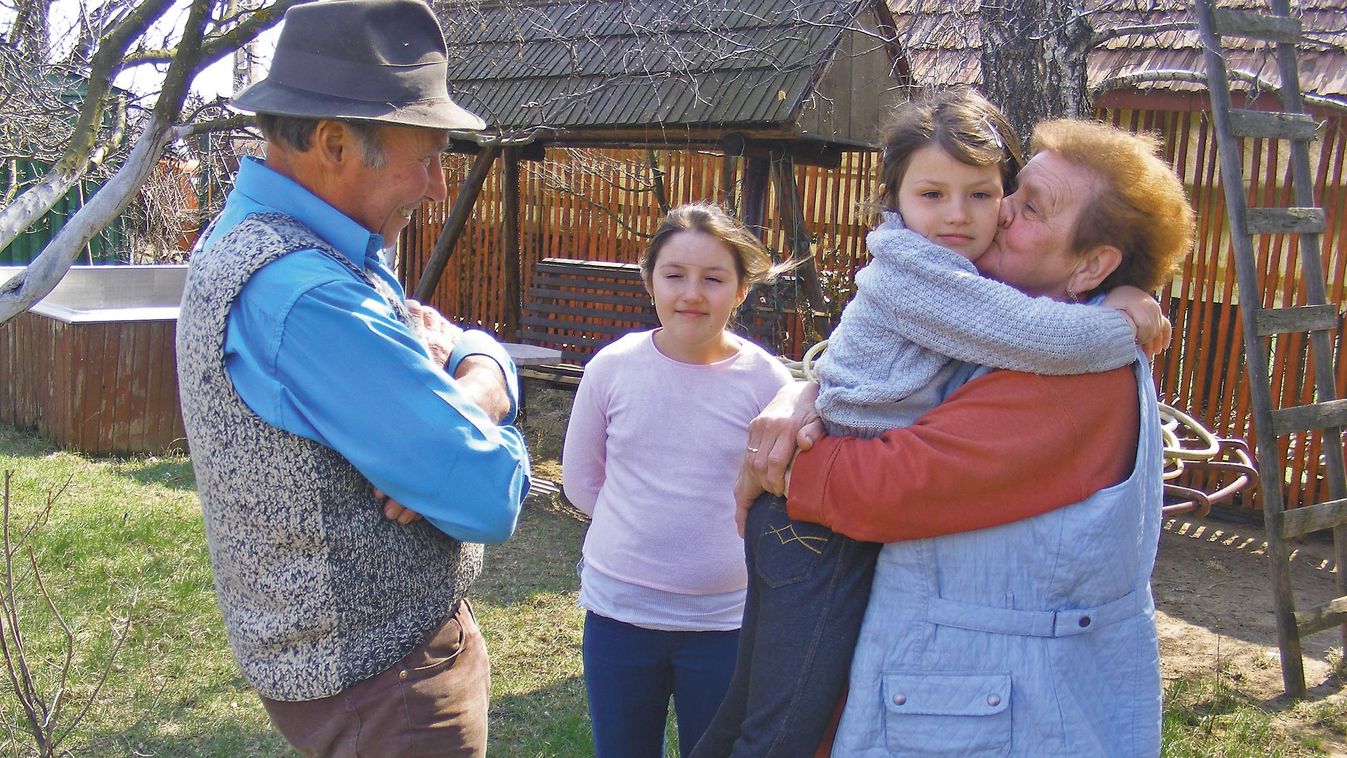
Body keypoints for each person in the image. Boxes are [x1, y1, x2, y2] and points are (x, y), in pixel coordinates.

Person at [693, 89, 1166, 758]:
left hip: (972, 694)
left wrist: (786, 459)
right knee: (775, 725)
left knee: (772, 719)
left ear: (1092, 263)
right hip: (820, 553)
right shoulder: (961, 289)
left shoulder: (1074, 382)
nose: (992, 216)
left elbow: (891, 483)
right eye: (1015, 195)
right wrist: (806, 393)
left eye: (1013, 202)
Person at [174, 1, 530, 754]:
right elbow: (485, 493)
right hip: (392, 693)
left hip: (352, 678)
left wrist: (475, 380)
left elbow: (439, 336)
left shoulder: (270, 241)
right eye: (427, 155)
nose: (438, 186)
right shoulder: (310, 295)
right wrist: (480, 389)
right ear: (334, 143)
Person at [561, 204, 795, 757]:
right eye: (675, 275)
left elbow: (782, 493)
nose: (692, 292)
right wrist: (641, 531)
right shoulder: (613, 367)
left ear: (740, 291)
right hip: (620, 613)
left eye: (714, 278)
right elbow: (580, 480)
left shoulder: (769, 382)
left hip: (724, 621)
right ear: (649, 282)